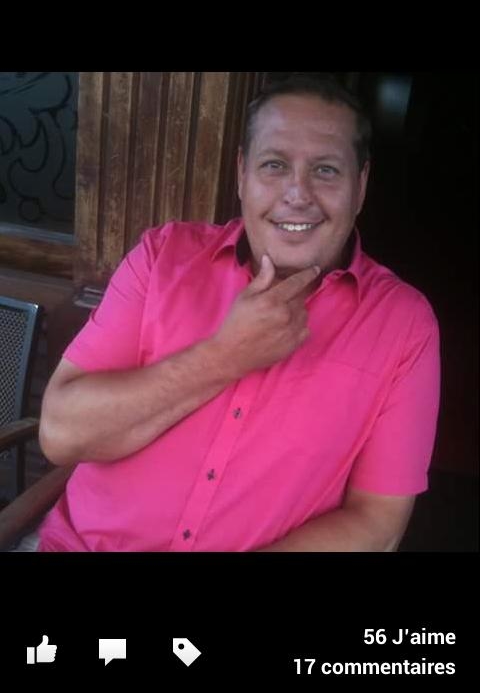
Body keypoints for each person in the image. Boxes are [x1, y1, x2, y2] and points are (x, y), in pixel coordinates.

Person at [36, 73, 440, 552]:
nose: (298, 194)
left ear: (361, 185)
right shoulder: (163, 257)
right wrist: (224, 357)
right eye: (274, 165)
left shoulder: (403, 324)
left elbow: (379, 521)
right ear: (242, 174)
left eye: (326, 170)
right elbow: (61, 434)